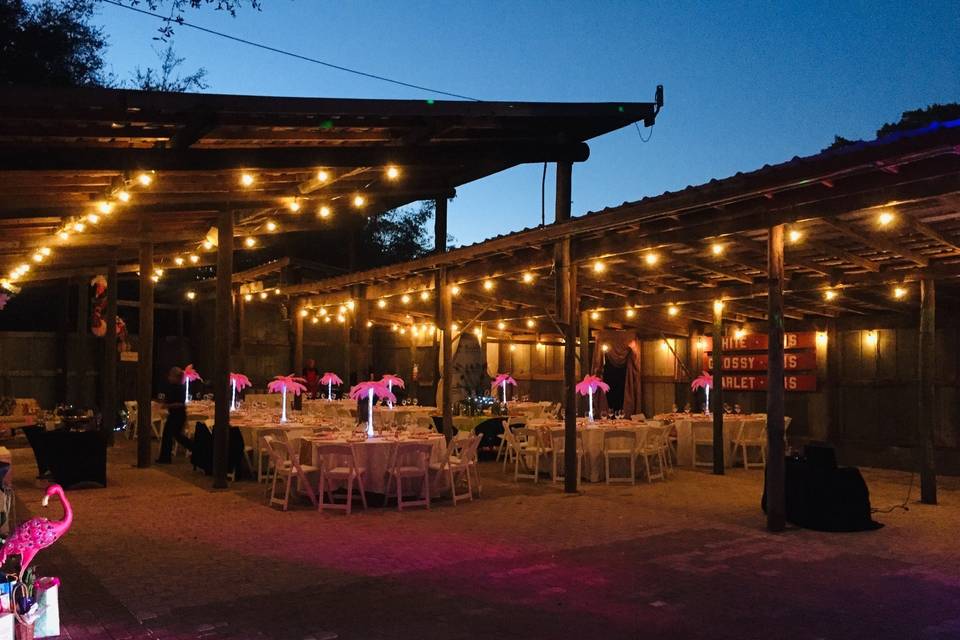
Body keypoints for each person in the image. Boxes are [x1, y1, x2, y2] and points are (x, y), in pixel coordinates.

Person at [156, 366, 193, 464]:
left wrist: (167, 405)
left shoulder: (180, 388)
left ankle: (165, 458)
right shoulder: (172, 387)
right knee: (176, 436)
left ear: (176, 377)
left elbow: (181, 404)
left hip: (178, 415)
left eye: (171, 376)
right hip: (175, 415)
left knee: (168, 435)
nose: (169, 378)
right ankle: (195, 448)